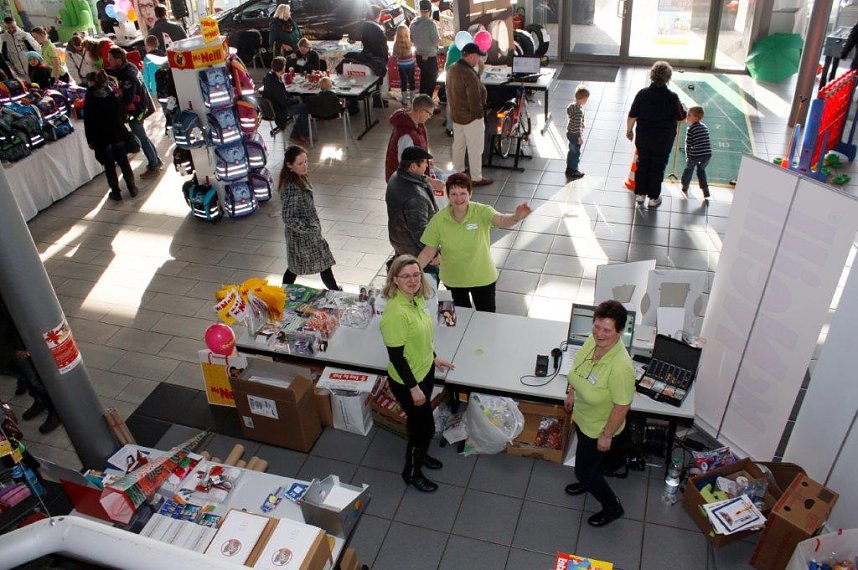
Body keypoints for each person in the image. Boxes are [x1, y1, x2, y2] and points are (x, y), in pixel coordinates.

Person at [379, 254, 455, 493]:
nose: (412, 280)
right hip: (408, 381)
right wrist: (414, 389)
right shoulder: (395, 313)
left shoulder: (415, 299)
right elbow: (397, 357)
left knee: (420, 422)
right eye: (405, 276)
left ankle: (420, 456)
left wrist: (434, 358)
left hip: (425, 371)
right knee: (423, 429)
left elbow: (422, 336)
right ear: (395, 281)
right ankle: (411, 471)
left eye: (416, 274)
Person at [563, 300, 635, 528]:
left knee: (585, 471)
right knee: (587, 465)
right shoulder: (591, 341)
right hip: (583, 418)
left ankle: (612, 506)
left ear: (620, 332)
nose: (599, 334)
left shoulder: (621, 368)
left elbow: (622, 406)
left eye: (607, 330)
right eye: (596, 326)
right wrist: (571, 392)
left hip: (599, 429)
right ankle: (588, 479)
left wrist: (607, 435)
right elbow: (577, 370)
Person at [417, 173, 530, 311]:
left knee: (486, 319)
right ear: (448, 195)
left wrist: (516, 217)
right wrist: (412, 271)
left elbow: (501, 220)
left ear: (470, 194)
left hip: (482, 278)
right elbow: (428, 252)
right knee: (458, 320)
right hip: (453, 281)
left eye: (463, 193)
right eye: (454, 194)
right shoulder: (439, 220)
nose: (459, 198)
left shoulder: (481, 211)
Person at [626, 60, 686, 208]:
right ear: (668, 78)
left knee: (643, 164)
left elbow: (632, 115)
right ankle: (653, 197)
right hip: (663, 141)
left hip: (644, 138)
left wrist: (629, 131)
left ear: (652, 76)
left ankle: (640, 195)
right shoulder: (672, 97)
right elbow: (682, 117)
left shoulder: (642, 94)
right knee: (657, 167)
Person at [279, 145, 340, 289]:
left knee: (296, 268)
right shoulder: (292, 187)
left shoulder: (299, 178)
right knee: (323, 265)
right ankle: (335, 292)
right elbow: (288, 217)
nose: (305, 166)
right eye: (300, 163)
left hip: (305, 236)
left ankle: (283, 293)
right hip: (303, 238)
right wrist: (310, 229)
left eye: (306, 161)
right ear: (289, 165)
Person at [0, 295, 61, 434]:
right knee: (24, 377)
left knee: (34, 378)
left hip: (11, 346)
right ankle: (39, 401)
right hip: (4, 350)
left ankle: (55, 412)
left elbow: (12, 319)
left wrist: (20, 346)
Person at [386, 146, 442, 280]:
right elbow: (421, 233)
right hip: (418, 253)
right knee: (425, 288)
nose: (426, 166)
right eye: (423, 162)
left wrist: (429, 181)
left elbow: (417, 178)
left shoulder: (395, 177)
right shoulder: (415, 198)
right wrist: (435, 254)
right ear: (412, 167)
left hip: (401, 243)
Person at [107, 46, 162, 178]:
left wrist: (116, 95)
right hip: (143, 106)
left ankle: (154, 166)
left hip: (137, 111)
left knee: (141, 138)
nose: (109, 62)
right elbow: (118, 74)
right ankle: (156, 161)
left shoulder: (128, 75)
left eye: (111, 59)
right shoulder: (129, 66)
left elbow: (128, 99)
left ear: (118, 59)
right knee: (143, 137)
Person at [84, 70, 137, 201]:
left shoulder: (90, 97)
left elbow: (88, 121)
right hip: (117, 133)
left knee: (109, 166)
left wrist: (90, 140)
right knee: (123, 162)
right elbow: (122, 114)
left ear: (92, 82)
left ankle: (115, 192)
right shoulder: (111, 93)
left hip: (101, 137)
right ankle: (132, 187)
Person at [446, 43, 492, 186]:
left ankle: (458, 171)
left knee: (458, 145)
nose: (478, 60)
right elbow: (474, 98)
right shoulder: (469, 74)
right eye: (478, 57)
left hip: (456, 115)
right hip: (471, 118)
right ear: (471, 56)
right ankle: (476, 177)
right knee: (475, 148)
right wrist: (479, 115)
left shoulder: (452, 69)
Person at [385, 93, 435, 181]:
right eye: (430, 114)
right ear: (422, 112)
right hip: (403, 183)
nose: (430, 117)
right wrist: (429, 181)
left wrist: (425, 161)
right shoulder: (406, 136)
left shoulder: (418, 124)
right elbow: (407, 169)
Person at [262, 56, 310, 144]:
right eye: (284, 65)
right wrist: (295, 100)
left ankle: (297, 133)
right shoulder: (276, 83)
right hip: (279, 110)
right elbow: (284, 102)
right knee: (304, 107)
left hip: (273, 107)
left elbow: (282, 96)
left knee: (301, 105)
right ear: (282, 67)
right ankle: (301, 135)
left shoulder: (269, 77)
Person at [410, 0, 440, 100]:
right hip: (430, 58)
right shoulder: (431, 24)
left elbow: (412, 39)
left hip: (419, 56)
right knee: (430, 82)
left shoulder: (413, 23)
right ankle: (427, 105)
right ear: (430, 11)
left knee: (424, 79)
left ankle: (421, 103)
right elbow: (436, 41)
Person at [680, 106, 712, 200]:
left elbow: (688, 144)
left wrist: (688, 156)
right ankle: (705, 190)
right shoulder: (704, 127)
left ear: (696, 118)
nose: (687, 116)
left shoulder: (690, 129)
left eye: (689, 115)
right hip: (707, 154)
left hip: (696, 154)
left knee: (689, 169)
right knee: (701, 170)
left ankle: (685, 185)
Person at [566, 84, 589, 179]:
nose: (586, 101)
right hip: (575, 134)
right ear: (583, 99)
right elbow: (577, 125)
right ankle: (574, 170)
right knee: (576, 153)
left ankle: (569, 168)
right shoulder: (579, 112)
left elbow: (573, 121)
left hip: (569, 132)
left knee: (571, 151)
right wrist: (579, 137)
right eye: (586, 99)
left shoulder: (572, 106)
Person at [392, 24, 416, 107]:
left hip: (401, 66)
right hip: (410, 64)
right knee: (411, 80)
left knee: (403, 81)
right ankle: (413, 99)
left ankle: (404, 100)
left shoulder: (396, 45)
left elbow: (394, 56)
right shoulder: (409, 43)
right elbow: (412, 53)